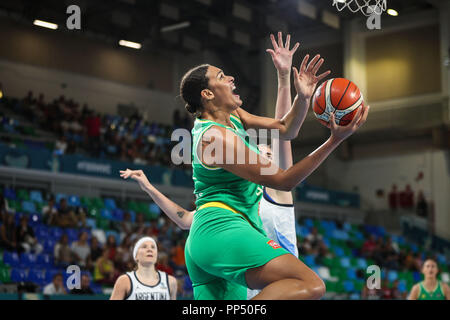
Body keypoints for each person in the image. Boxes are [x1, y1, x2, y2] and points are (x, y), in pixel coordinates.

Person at [121, 31, 369, 300]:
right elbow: (285, 180)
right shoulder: (215, 137)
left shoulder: (234, 116)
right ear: (207, 94)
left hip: (210, 236)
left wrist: (303, 97)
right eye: (221, 76)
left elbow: (285, 129)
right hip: (222, 229)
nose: (231, 78)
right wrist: (334, 140)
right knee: (310, 283)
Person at [110, 237, 178, 300]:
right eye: (144, 247)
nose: (150, 249)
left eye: (153, 247)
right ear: (136, 256)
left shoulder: (170, 281)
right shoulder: (124, 281)